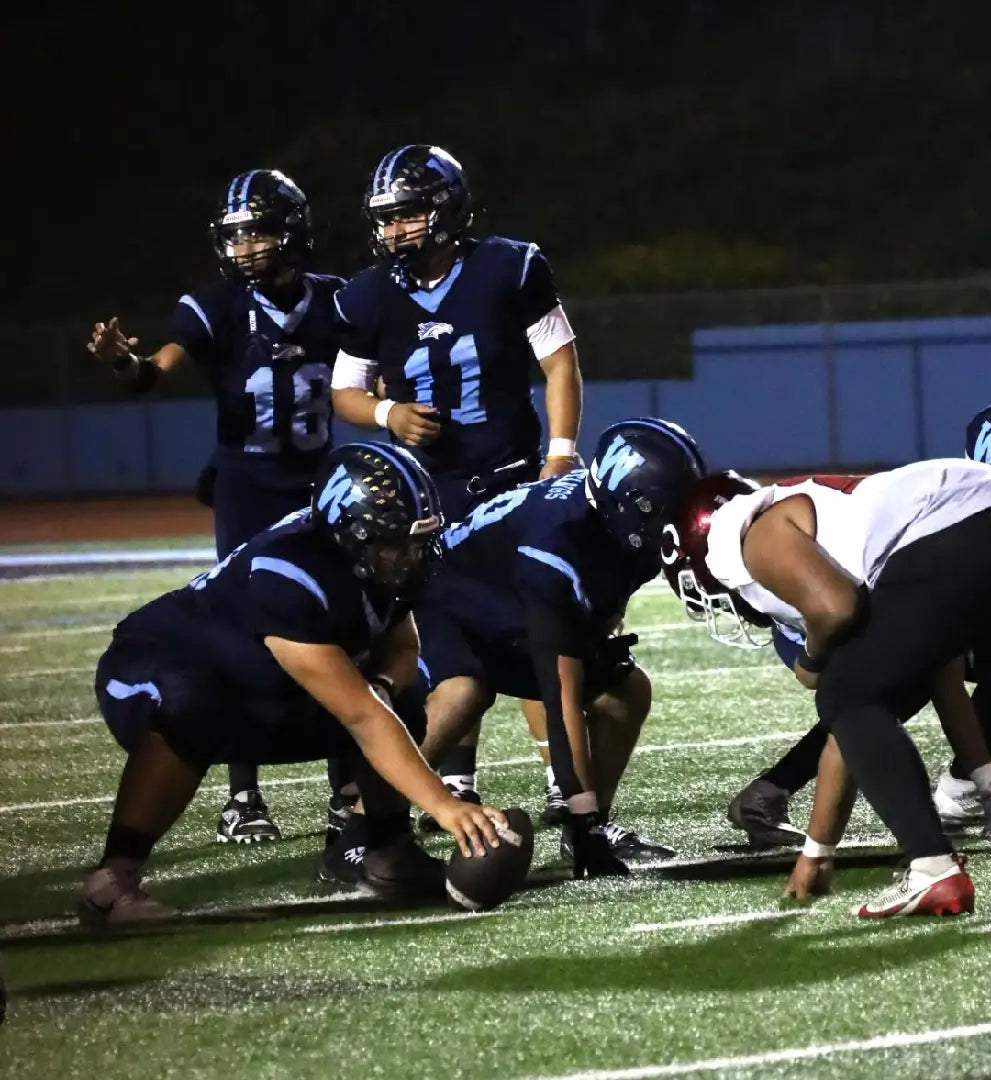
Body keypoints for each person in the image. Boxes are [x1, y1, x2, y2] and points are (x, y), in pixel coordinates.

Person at [79, 443, 506, 926]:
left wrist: (385, 687)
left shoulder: (380, 557)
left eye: (416, 541)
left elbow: (403, 649)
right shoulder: (288, 572)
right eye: (396, 543)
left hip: (258, 686)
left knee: (402, 693)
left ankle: (383, 850)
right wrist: (444, 805)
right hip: (148, 668)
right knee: (189, 706)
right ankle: (113, 881)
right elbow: (361, 717)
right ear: (351, 533)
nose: (410, 555)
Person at [662, 455, 991, 918]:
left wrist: (812, 660)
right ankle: (929, 867)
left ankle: (932, 870)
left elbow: (836, 609)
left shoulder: (749, 533)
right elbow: (935, 677)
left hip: (977, 526)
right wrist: (818, 851)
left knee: (846, 691)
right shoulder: (845, 530)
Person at [88, 169, 347, 846]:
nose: (244, 247)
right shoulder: (215, 306)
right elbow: (158, 370)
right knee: (245, 635)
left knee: (342, 628)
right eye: (235, 235)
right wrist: (126, 363)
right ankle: (244, 796)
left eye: (258, 231)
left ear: (293, 231)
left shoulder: (337, 302)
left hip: (321, 487)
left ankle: (348, 796)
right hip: (248, 486)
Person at [331, 144, 584, 824]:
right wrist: (388, 413)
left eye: (407, 216)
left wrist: (558, 458)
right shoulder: (365, 294)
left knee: (537, 628)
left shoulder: (511, 266)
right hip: (427, 497)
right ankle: (435, 786)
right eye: (386, 220)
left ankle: (565, 786)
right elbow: (345, 393)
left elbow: (560, 365)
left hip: (508, 477)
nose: (394, 233)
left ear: (444, 209)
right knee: (451, 650)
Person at [722, 397, 991, 847]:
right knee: (877, 688)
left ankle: (943, 808)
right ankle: (801, 805)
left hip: (867, 587)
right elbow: (889, 662)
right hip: (833, 594)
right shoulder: (779, 541)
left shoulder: (959, 512)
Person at [400, 418, 705, 880]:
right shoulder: (555, 547)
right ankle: (366, 827)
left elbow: (603, 612)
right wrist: (580, 822)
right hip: (448, 600)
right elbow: (560, 700)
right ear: (626, 503)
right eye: (661, 510)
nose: (671, 523)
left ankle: (593, 823)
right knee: (464, 693)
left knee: (626, 692)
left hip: (511, 602)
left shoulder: (616, 526)